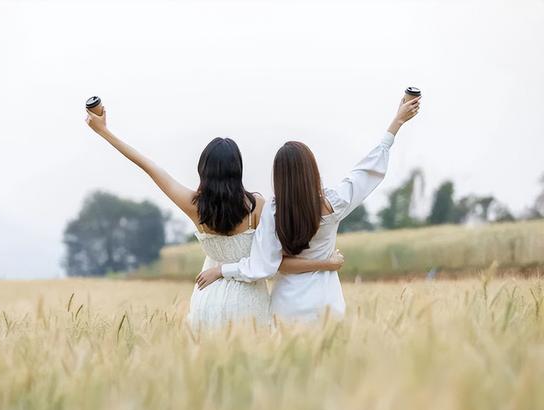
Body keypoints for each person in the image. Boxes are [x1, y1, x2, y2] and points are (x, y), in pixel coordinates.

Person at [85, 108, 343, 330]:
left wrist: (103, 131)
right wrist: (326, 262)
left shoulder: (193, 206)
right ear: (238, 170)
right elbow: (279, 256)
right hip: (249, 302)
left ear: (203, 169)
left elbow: (149, 166)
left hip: (206, 296)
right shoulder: (258, 207)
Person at [195, 95, 421, 323]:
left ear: (278, 176)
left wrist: (221, 270)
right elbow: (367, 171)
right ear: (312, 169)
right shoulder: (335, 203)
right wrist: (397, 122)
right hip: (326, 303)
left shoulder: (273, 212)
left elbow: (261, 266)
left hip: (286, 307)